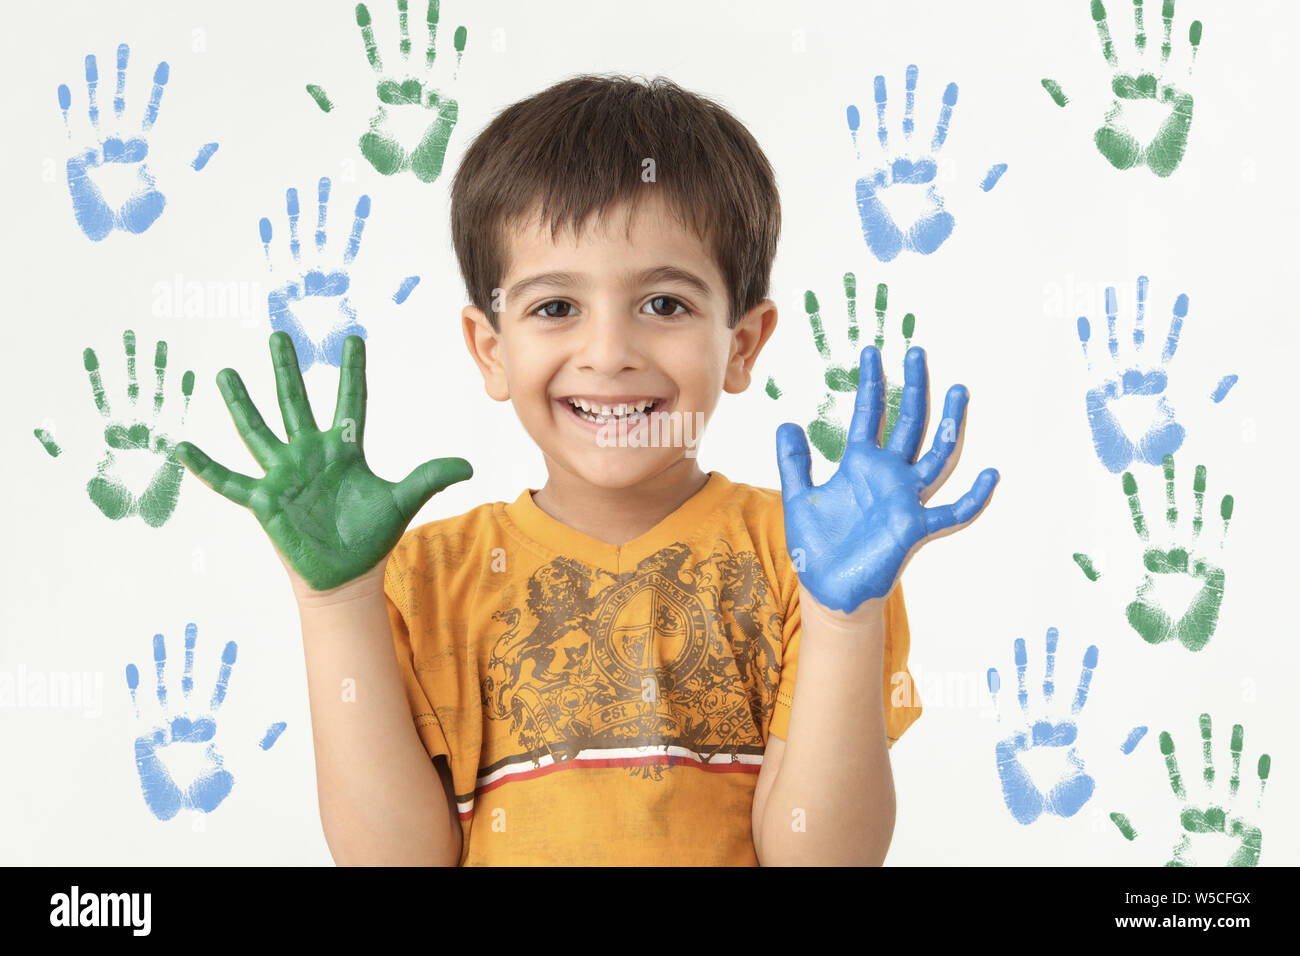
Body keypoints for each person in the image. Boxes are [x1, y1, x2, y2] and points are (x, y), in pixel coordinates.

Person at [175, 74, 997, 866]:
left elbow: (823, 858)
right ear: (490, 351)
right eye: (555, 307)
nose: (608, 353)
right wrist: (338, 604)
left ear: (742, 344)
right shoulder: (422, 578)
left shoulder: (812, 563)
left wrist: (845, 624)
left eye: (665, 304)